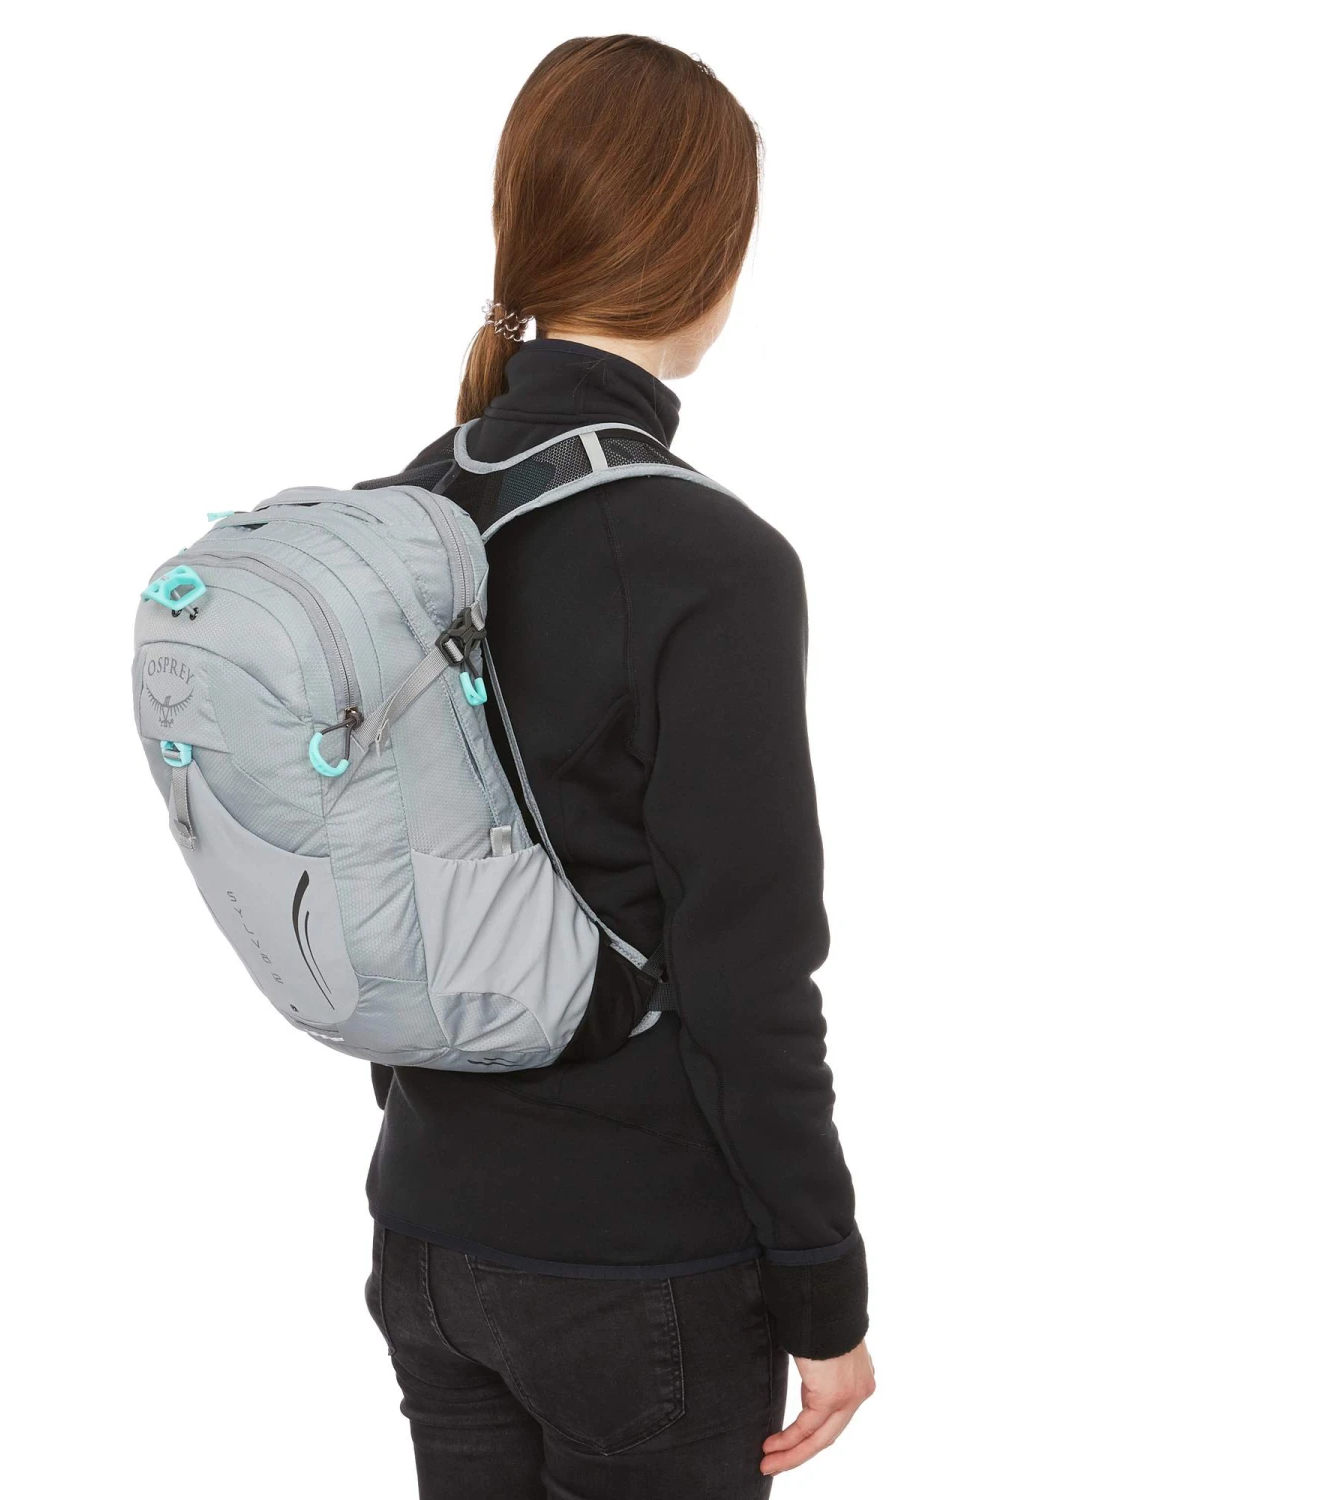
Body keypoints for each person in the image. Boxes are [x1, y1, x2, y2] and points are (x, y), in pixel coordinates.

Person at [363, 35, 874, 1498]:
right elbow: (747, 981)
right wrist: (826, 1293)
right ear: (712, 257)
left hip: (427, 1241)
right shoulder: (714, 562)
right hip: (641, 1272)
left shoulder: (406, 513)